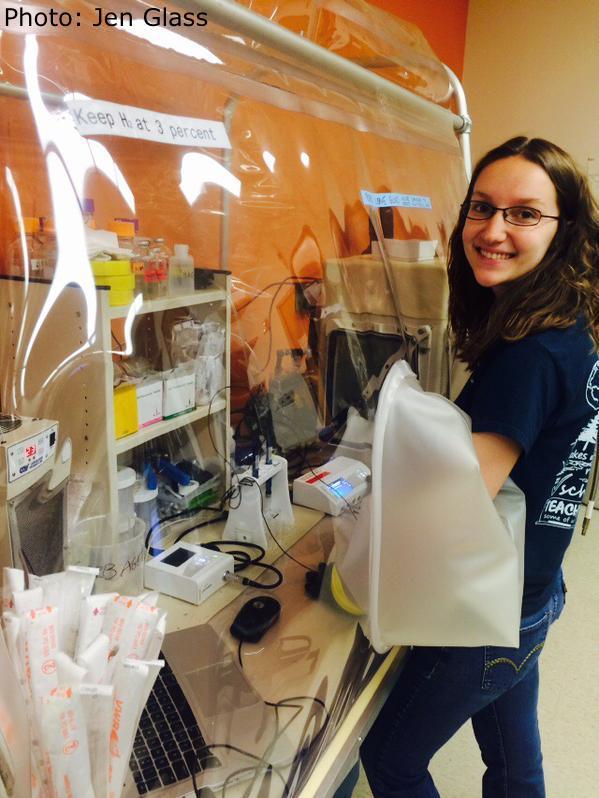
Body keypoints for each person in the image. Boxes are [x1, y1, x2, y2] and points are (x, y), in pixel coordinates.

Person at [340, 137, 599, 798]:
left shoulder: (530, 355)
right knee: (514, 765)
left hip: (491, 611)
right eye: (481, 208)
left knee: (390, 757)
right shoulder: (569, 325)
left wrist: (357, 546)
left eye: (522, 214)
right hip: (533, 593)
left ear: (563, 229)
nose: (491, 230)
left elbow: (459, 506)